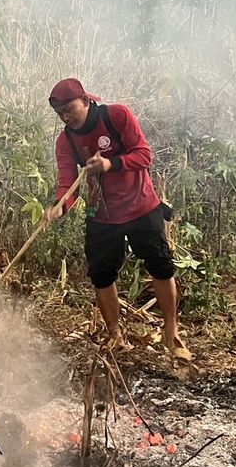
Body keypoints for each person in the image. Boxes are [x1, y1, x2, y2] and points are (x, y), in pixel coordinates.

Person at [45, 78, 192, 361]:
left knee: (161, 267)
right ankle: (115, 335)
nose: (65, 117)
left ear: (85, 101)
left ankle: (171, 331)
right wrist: (60, 207)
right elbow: (67, 183)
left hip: (142, 206)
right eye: (59, 112)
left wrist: (110, 164)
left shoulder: (117, 116)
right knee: (101, 275)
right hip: (102, 214)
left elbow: (144, 155)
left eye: (69, 109)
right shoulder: (66, 141)